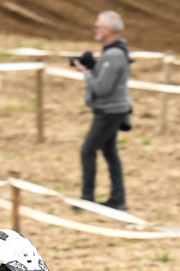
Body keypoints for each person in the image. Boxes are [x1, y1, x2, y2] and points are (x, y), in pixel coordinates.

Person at [73, 10, 132, 210]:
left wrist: (85, 72)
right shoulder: (113, 52)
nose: (95, 30)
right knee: (109, 151)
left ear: (107, 30)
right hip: (113, 109)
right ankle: (118, 198)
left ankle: (87, 198)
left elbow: (101, 87)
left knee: (87, 150)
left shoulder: (114, 54)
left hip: (109, 111)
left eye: (97, 26)